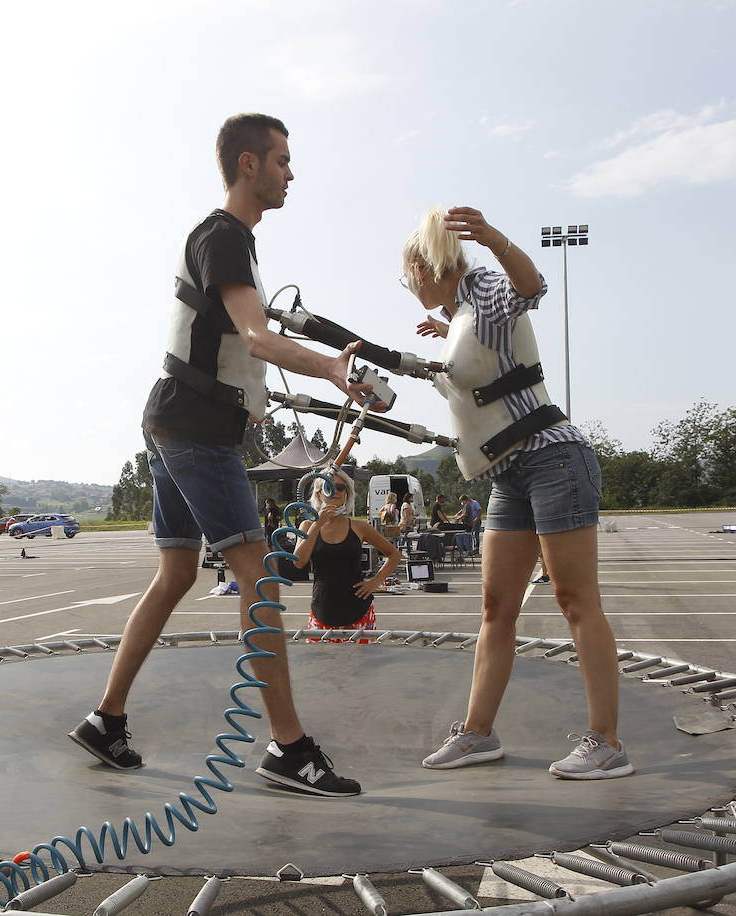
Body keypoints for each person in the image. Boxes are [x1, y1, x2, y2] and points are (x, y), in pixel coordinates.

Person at [68, 113, 381, 798]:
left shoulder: (227, 242)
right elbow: (256, 337)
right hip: (194, 429)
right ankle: (290, 749)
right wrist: (332, 370)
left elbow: (244, 347)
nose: (291, 173)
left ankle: (105, 720)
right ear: (248, 163)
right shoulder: (225, 237)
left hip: (175, 419)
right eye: (282, 161)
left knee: (177, 573)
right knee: (258, 579)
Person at [404, 205, 631, 780]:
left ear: (427, 267)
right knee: (495, 607)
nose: (407, 284)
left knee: (575, 601)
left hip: (554, 457)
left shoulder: (481, 286)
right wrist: (446, 331)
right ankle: (478, 733)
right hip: (507, 474)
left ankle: (605, 741)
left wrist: (494, 239)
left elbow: (531, 287)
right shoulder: (460, 316)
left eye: (409, 272)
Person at [292, 470, 400, 642]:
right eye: (328, 487)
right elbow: (298, 562)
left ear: (347, 493)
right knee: (320, 665)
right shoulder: (307, 525)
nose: (334, 492)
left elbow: (394, 554)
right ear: (319, 493)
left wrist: (374, 583)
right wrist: (317, 524)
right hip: (323, 610)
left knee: (361, 666)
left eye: (340, 487)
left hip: (358, 611)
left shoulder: (359, 527)